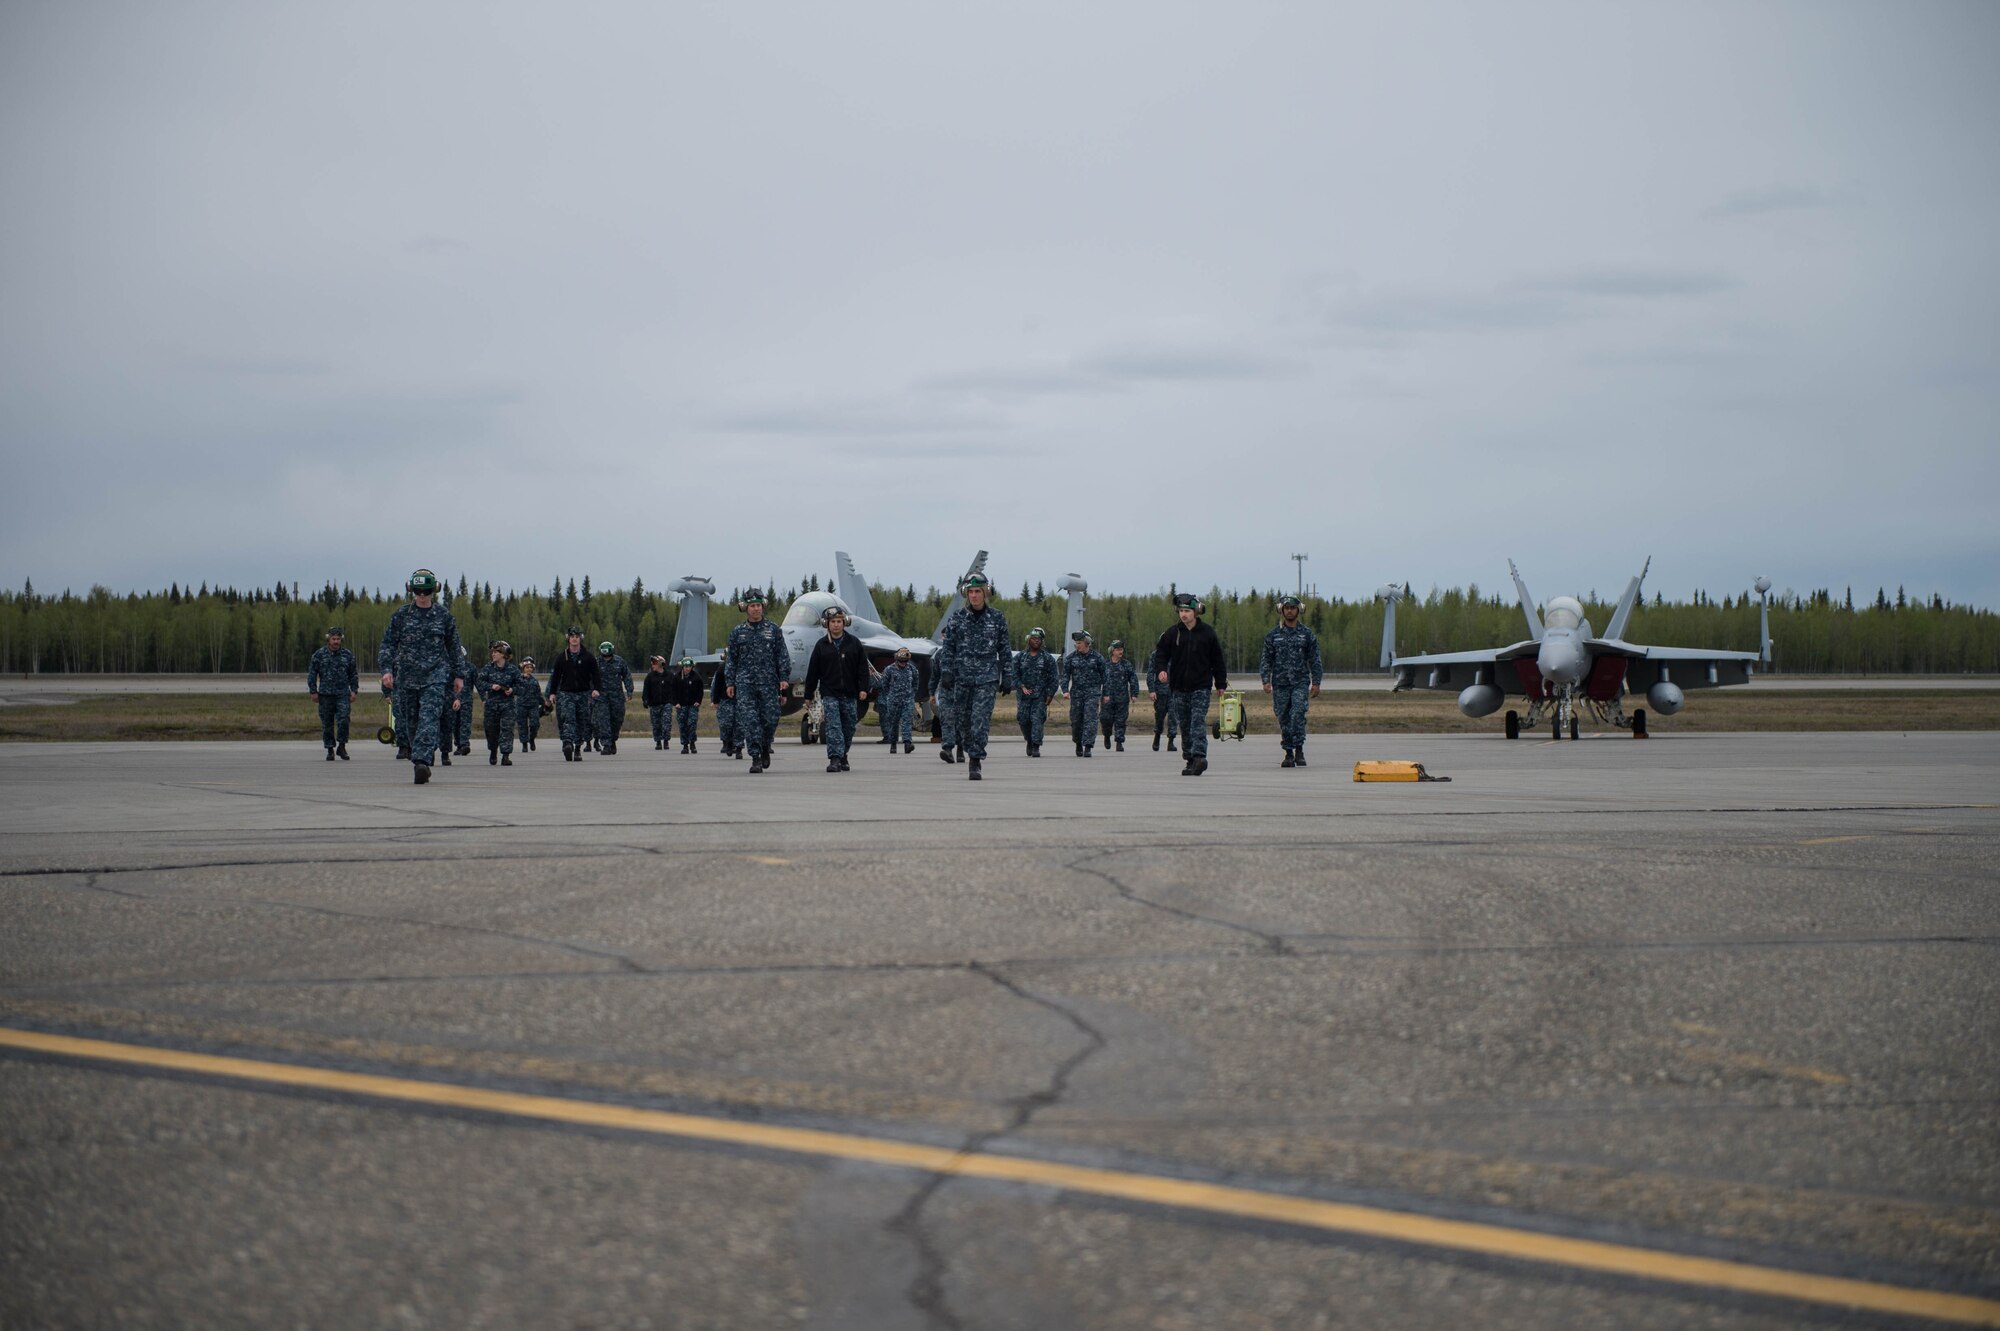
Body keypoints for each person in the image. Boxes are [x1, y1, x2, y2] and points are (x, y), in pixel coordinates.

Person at [377, 569, 466, 785]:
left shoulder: (444, 616)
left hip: (435, 676)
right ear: (412, 590)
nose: (422, 595)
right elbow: (388, 644)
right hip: (407, 677)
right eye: (418, 591)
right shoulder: (401, 615)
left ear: (434, 591)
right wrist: (386, 670)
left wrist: (459, 675)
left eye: (426, 591)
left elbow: (454, 647)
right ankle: (422, 754)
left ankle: (422, 762)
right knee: (411, 722)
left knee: (429, 717)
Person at [934, 573, 1011, 780]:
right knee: (963, 722)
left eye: (978, 591)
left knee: (980, 720)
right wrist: (947, 672)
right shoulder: (957, 619)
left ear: (985, 593)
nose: (975, 596)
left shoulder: (997, 618)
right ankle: (968, 749)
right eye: (971, 592)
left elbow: (1004, 649)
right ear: (966, 594)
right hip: (962, 678)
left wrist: (1008, 676)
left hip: (987, 678)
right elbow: (948, 648)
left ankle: (975, 761)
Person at [1154, 592, 1229, 776]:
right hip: (1178, 688)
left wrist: (1220, 683)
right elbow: (1161, 654)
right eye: (1180, 611)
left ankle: (1199, 756)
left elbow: (1217, 659)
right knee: (1185, 724)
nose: (1183, 614)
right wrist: (1161, 670)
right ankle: (1189, 759)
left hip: (1201, 687)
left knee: (1197, 721)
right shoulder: (1173, 633)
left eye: (1187, 610)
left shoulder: (1208, 633)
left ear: (1195, 611)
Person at [725, 591, 790, 773]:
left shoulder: (773, 630)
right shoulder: (738, 632)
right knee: (750, 721)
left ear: (763, 606)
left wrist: (784, 678)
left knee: (770, 719)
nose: (756, 609)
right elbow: (732, 659)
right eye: (752, 606)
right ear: (746, 608)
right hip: (745, 684)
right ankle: (755, 758)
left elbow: (782, 655)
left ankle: (765, 745)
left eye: (758, 605)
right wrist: (730, 682)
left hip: (769, 683)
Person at [1259, 594, 1324, 768]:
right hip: (1280, 684)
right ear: (1281, 610)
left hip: (1300, 683)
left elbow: (1315, 659)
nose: (1289, 611)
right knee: (1283, 718)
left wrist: (1316, 682)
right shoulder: (1273, 636)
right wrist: (1266, 680)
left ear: (1298, 610)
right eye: (1286, 608)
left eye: (1292, 608)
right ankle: (1288, 753)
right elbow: (1266, 659)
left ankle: (1299, 749)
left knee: (1297, 714)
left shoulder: (1307, 635)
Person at [803, 605, 869, 773]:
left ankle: (843, 755)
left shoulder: (854, 643)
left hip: (850, 693)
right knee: (833, 726)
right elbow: (813, 672)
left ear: (844, 623)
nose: (836, 625)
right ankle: (834, 759)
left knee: (849, 727)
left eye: (839, 621)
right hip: (830, 693)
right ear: (827, 624)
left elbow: (862, 668)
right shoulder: (821, 645)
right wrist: (808, 695)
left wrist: (863, 688)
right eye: (833, 622)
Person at [546, 626, 602, 762]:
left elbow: (596, 675)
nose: (574, 639)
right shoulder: (562, 657)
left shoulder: (588, 657)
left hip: (583, 694)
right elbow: (555, 677)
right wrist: (552, 693)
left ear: (580, 638)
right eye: (572, 637)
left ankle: (577, 748)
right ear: (568, 639)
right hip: (566, 694)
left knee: (581, 721)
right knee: (568, 719)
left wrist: (596, 689)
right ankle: (567, 744)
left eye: (577, 636)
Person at [306, 626, 360, 761]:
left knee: (343, 720)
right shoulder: (319, 655)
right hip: (325, 694)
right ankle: (330, 749)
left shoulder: (347, 655)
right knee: (327, 723)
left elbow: (353, 674)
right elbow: (312, 674)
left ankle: (342, 746)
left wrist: (354, 690)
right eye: (333, 639)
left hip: (342, 694)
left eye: (338, 639)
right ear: (328, 639)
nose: (336, 641)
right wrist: (313, 691)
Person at [1060, 629, 1109, 757]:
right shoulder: (1071, 658)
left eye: (1080, 643)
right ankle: (1078, 743)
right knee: (1076, 720)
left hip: (1092, 693)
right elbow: (1065, 675)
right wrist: (1065, 690)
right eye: (1076, 643)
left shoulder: (1098, 658)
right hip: (1076, 694)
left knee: (1091, 719)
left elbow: (1105, 676)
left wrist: (1106, 694)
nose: (1077, 645)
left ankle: (1088, 746)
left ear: (1087, 643)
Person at [475, 639, 522, 765]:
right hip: (491, 704)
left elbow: (521, 686)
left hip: (507, 705)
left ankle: (505, 755)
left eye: (496, 652)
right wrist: (491, 686)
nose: (493, 654)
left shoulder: (513, 670)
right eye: (492, 652)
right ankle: (493, 751)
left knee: (507, 729)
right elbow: (479, 682)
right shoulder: (488, 669)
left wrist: (512, 690)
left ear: (503, 654)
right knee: (491, 729)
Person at [1013, 627, 1059, 757]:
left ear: (1042, 641)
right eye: (1033, 638)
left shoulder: (1047, 658)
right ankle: (1029, 740)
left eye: (1038, 639)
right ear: (1029, 640)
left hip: (1040, 696)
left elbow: (1054, 678)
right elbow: (1013, 675)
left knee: (1037, 720)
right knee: (1023, 720)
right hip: (1023, 697)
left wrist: (1050, 694)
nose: (1036, 641)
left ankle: (1036, 746)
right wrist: (1021, 686)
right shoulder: (1020, 657)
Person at [593, 641, 634, 754]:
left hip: (617, 697)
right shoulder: (596, 662)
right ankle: (606, 745)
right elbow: (590, 678)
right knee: (603, 720)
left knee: (617, 719)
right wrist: (591, 692)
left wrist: (629, 691)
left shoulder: (619, 661)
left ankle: (613, 740)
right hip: (601, 697)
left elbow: (627, 676)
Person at [877, 647, 918, 753]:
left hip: (908, 700)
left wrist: (911, 695)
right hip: (893, 701)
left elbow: (915, 684)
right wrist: (890, 696)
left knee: (907, 721)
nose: (903, 663)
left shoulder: (912, 669)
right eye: (901, 661)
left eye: (905, 661)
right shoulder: (889, 669)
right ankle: (893, 743)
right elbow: (884, 685)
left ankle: (907, 743)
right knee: (894, 723)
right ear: (896, 659)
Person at [1102, 640, 1140, 752]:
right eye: (1118, 650)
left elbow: (1133, 679)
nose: (1120, 652)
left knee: (1121, 721)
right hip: (1107, 697)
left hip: (1122, 698)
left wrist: (1134, 694)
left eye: (1121, 650)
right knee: (1105, 719)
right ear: (1112, 651)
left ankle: (1119, 742)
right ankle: (1107, 735)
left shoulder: (1126, 664)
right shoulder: (1105, 664)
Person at [1148, 646, 1179, 753]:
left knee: (1173, 716)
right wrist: (1152, 690)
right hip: (1160, 691)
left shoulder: (1177, 653)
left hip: (1174, 690)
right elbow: (1150, 673)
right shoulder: (1156, 655)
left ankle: (1171, 741)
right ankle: (1157, 736)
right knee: (1159, 716)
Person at [672, 657, 705, 753]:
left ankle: (692, 743)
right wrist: (676, 703)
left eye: (690, 666)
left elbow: (700, 691)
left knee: (692, 724)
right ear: (683, 666)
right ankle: (685, 745)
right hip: (681, 705)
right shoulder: (677, 677)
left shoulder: (696, 677)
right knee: (682, 725)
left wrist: (698, 701)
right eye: (686, 666)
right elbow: (673, 692)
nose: (688, 668)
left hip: (692, 705)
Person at [710, 661, 742, 758]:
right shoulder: (722, 668)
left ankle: (739, 748)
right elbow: (717, 685)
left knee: (740, 725)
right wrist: (715, 700)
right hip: (725, 699)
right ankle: (728, 741)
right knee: (726, 723)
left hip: (741, 698)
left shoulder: (744, 665)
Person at [642, 655, 674, 749]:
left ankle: (666, 741)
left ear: (661, 664)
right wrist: (645, 700)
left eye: (655, 663)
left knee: (666, 722)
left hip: (666, 704)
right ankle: (658, 742)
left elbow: (675, 688)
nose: (652, 665)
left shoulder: (670, 675)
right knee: (656, 724)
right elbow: (646, 690)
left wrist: (674, 700)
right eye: (652, 664)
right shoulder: (650, 676)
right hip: (654, 704)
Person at [450, 645, 476, 757]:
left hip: (466, 701)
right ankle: (458, 745)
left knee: (465, 723)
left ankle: (465, 744)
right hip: (453, 700)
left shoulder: (471, 668)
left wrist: (485, 698)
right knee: (455, 723)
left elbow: (478, 683)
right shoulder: (449, 668)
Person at [514, 657, 544, 752]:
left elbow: (538, 694)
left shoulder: (534, 681)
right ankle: (524, 744)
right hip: (521, 705)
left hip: (533, 706)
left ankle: (532, 738)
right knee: (522, 726)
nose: (529, 669)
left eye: (531, 667)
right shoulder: (518, 679)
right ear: (523, 668)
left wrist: (543, 703)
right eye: (527, 667)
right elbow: (514, 690)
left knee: (535, 724)